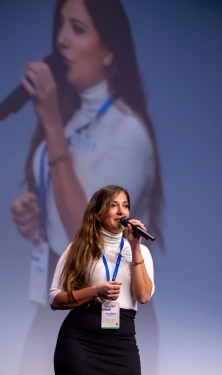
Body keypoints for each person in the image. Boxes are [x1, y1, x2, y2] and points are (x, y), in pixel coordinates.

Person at [10, 0, 163, 373]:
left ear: (109, 49)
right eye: (60, 25)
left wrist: (49, 121)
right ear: (99, 213)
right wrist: (35, 215)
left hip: (120, 334)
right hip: (75, 328)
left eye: (77, 29)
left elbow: (141, 294)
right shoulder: (73, 111)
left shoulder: (130, 134)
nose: (61, 40)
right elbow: (63, 224)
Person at [50, 185, 155, 375]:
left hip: (122, 342)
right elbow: (55, 299)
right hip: (80, 339)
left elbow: (143, 296)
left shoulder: (139, 252)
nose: (121, 211)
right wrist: (95, 291)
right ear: (98, 213)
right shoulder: (79, 248)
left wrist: (135, 247)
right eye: (113, 205)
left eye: (125, 205)